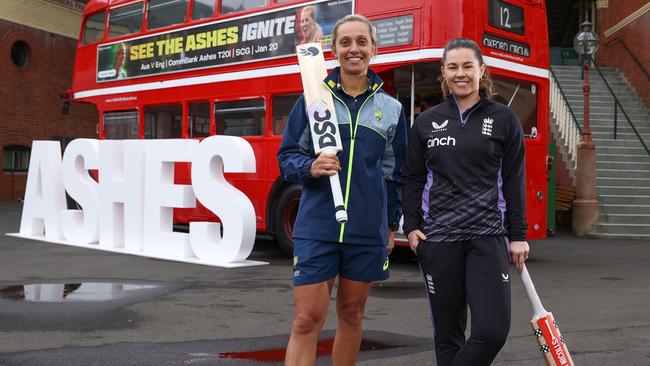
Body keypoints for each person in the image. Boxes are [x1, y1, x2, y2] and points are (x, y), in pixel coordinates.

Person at [278, 14, 408, 366]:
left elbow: (396, 174)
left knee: (352, 316)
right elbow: (286, 157)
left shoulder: (391, 109)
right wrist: (310, 167)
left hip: (366, 228)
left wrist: (391, 224)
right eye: (346, 42)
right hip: (318, 226)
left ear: (374, 49)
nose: (354, 49)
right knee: (306, 320)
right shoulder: (313, 98)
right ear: (333, 50)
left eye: (361, 42)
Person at [402, 37, 530, 366]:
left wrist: (517, 235)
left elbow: (514, 180)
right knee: (448, 338)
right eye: (453, 67)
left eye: (468, 66)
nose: (461, 74)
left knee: (492, 331)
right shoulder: (426, 122)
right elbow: (413, 178)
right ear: (443, 73)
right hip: (439, 240)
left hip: (487, 236)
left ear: (481, 70)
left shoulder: (504, 119)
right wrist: (413, 227)